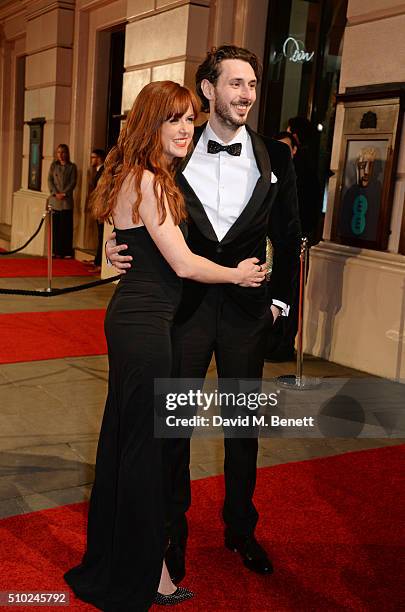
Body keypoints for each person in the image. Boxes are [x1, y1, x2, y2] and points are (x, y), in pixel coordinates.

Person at [64, 80, 265, 612]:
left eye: (188, 119)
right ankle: (147, 577)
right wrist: (238, 275)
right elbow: (181, 263)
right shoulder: (149, 181)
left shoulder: (138, 176)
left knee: (130, 446)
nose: (184, 129)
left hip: (138, 321)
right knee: (144, 453)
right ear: (151, 124)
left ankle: (131, 565)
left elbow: (127, 244)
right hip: (146, 329)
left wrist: (115, 246)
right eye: (173, 119)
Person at [107, 45, 301, 584]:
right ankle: (172, 535)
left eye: (254, 85)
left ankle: (242, 528)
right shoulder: (177, 150)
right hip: (184, 310)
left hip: (247, 313)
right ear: (209, 89)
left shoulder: (276, 157)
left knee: (243, 429)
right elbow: (136, 202)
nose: (247, 95)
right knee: (176, 428)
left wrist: (280, 303)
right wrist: (116, 245)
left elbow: (289, 235)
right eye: (236, 84)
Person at [266, 117, 322, 362]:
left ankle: (285, 344)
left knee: (292, 293)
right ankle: (272, 341)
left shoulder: (305, 175)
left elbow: (307, 211)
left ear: (296, 148)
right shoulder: (271, 172)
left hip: (296, 244)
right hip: (274, 245)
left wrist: (303, 236)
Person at [47, 144, 77, 258]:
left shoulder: (72, 167)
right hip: (55, 201)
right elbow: (50, 180)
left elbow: (73, 182)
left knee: (66, 228)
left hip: (66, 202)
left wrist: (64, 193)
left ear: (67, 153)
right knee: (56, 228)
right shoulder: (53, 166)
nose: (61, 155)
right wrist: (55, 193)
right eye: (58, 152)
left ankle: (66, 252)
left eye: (63, 152)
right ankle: (56, 251)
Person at [90, 148, 106, 271]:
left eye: (93, 157)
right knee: (99, 236)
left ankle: (100, 263)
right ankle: (97, 260)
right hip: (97, 206)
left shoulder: (103, 171)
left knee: (102, 236)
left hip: (102, 207)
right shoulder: (97, 171)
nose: (91, 160)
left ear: (99, 158)